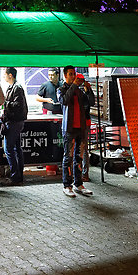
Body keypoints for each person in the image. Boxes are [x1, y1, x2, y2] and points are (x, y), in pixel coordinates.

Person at [58, 66, 93, 198]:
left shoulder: (78, 90)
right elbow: (64, 100)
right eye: (71, 74)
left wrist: (88, 90)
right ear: (65, 76)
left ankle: (78, 184)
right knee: (68, 157)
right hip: (69, 129)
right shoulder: (61, 89)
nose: (73, 77)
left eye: (74, 74)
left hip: (81, 128)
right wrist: (74, 86)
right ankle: (67, 185)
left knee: (79, 157)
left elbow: (90, 102)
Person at [2, 67, 28, 185]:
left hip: (14, 122)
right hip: (16, 121)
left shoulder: (17, 88)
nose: (4, 76)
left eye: (5, 74)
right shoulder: (14, 87)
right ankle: (18, 176)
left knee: (9, 149)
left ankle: (15, 176)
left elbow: (18, 104)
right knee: (17, 148)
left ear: (10, 75)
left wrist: (5, 103)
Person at [76, 74, 95, 182]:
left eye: (82, 80)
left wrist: (88, 90)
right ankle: (77, 172)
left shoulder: (86, 90)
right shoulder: (74, 90)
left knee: (84, 148)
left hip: (85, 122)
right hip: (75, 122)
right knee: (76, 148)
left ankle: (84, 173)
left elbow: (91, 102)